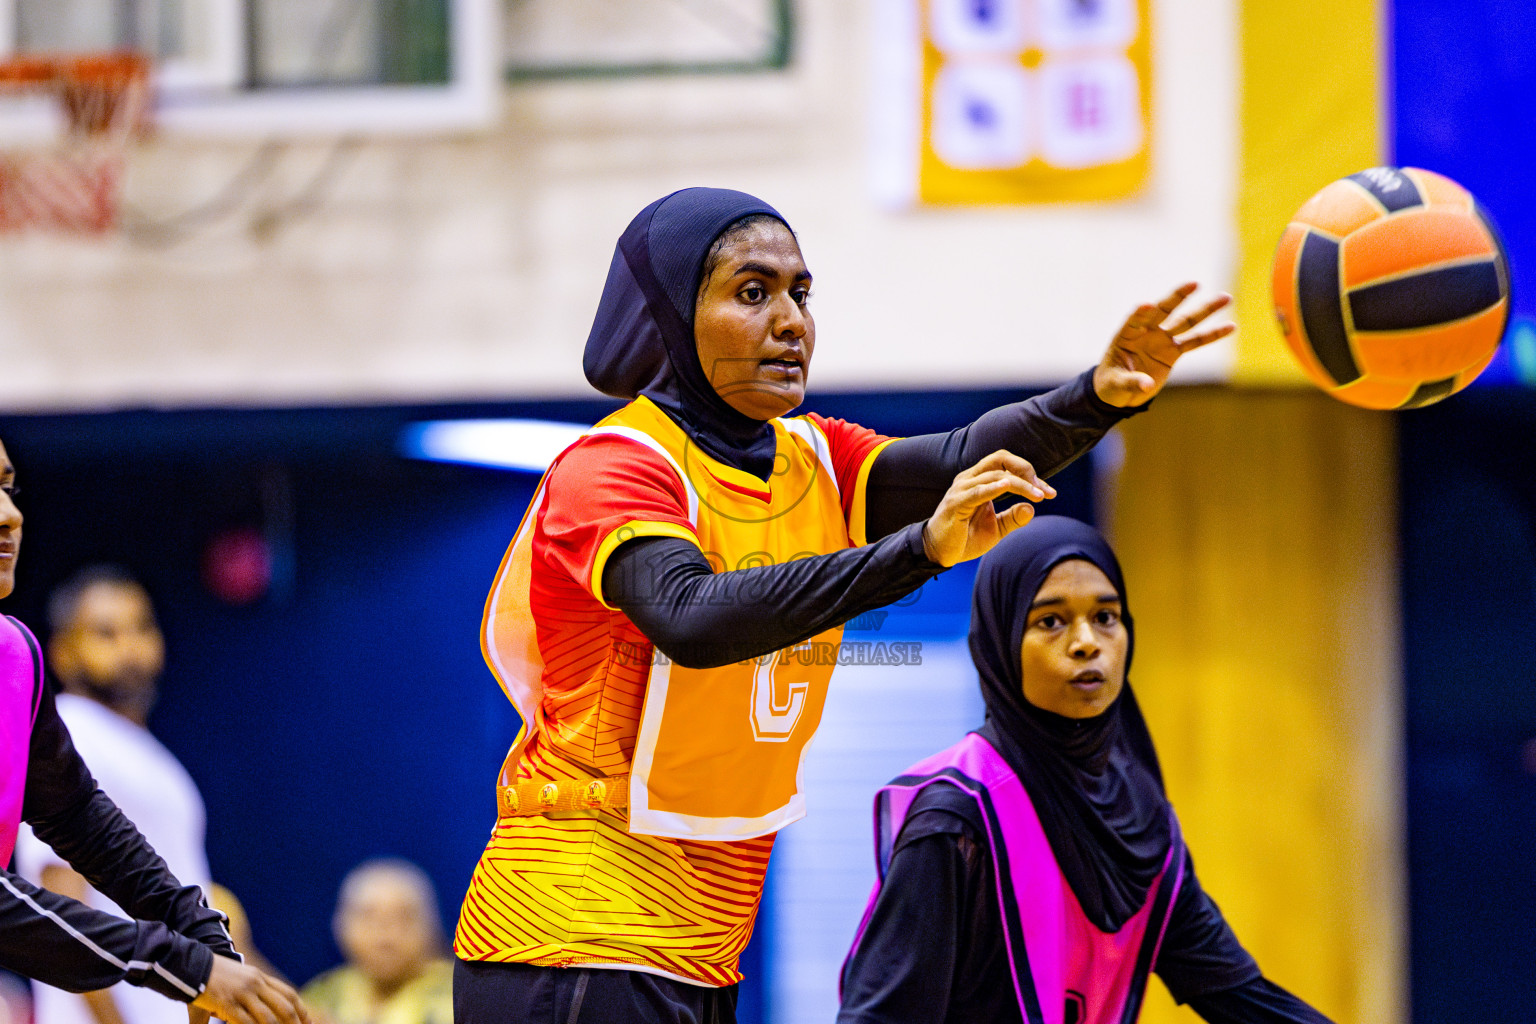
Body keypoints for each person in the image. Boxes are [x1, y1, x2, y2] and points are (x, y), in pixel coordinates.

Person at [452, 187, 1232, 1024]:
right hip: (568, 930)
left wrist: (1100, 396)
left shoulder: (815, 456)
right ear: (673, 315)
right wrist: (919, 551)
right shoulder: (613, 466)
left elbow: (968, 457)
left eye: (800, 293)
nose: (791, 320)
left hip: (701, 946)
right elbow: (694, 618)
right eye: (752, 293)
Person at [837, 517, 1333, 1024]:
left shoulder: (1139, 817)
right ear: (1001, 641)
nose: (1085, 642)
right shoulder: (956, 815)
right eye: (1050, 621)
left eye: (1105, 617)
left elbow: (1242, 999)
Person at [0, 439, 310, 1024]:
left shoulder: (15, 657)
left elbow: (87, 828)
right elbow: (41, 891)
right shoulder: (81, 724)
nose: (9, 514)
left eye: (9, 488)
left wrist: (211, 948)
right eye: (106, 633)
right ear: (69, 649)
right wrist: (186, 968)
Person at [15, 566, 219, 1024]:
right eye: (106, 633)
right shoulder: (69, 732)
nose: (130, 647)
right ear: (63, 652)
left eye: (142, 627)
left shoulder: (155, 757)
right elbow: (61, 899)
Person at [302, 861, 451, 1024]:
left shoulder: (457, 996)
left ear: (432, 926)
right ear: (340, 926)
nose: (385, 939)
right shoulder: (325, 992)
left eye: (404, 919)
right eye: (368, 918)